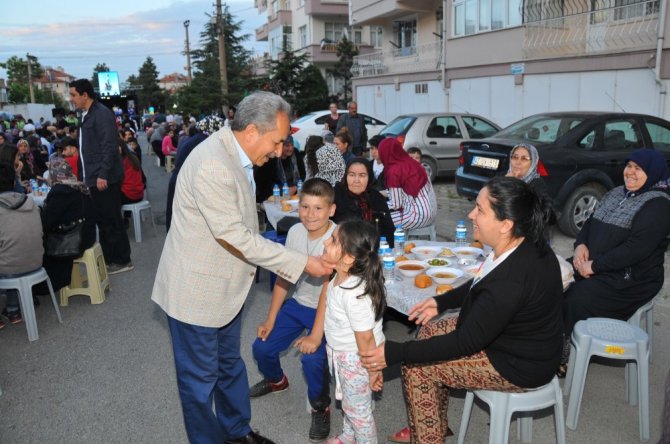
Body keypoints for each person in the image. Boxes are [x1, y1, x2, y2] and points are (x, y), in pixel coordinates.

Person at [151, 91, 333, 444]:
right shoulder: (213, 163)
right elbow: (234, 235)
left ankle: (237, 432)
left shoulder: (237, 157)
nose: (280, 151)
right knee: (199, 384)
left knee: (229, 367)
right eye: (278, 141)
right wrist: (302, 260)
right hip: (196, 295)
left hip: (225, 291)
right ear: (252, 131)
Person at [359, 176, 562, 444]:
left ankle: (428, 437)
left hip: (518, 364)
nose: (471, 214)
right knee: (429, 330)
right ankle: (434, 425)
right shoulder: (521, 244)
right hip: (510, 340)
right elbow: (482, 283)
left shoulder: (512, 279)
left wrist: (396, 352)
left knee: (416, 367)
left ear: (505, 225)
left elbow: (466, 342)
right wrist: (441, 302)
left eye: (480, 210)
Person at [560, 149, 670, 374]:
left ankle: (564, 355)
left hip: (632, 277)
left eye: (638, 168)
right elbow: (590, 224)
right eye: (629, 166)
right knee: (551, 275)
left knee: (574, 297)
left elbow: (635, 250)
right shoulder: (615, 193)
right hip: (595, 262)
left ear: (653, 172)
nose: (630, 172)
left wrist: (594, 266)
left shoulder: (658, 205)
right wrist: (580, 246)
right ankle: (541, 341)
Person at [249, 178, 336, 442]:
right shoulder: (296, 232)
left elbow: (327, 291)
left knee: (312, 359)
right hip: (299, 304)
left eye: (318, 208)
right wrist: (270, 319)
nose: (311, 215)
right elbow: (285, 277)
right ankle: (277, 381)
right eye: (305, 207)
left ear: (331, 210)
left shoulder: (338, 238)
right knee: (261, 346)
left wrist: (316, 336)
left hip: (329, 309)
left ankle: (321, 407)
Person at [302, 220, 385, 444]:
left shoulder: (354, 295)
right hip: (342, 354)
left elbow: (365, 339)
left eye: (333, 240)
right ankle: (349, 436)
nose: (326, 242)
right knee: (349, 402)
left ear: (348, 258)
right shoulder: (337, 277)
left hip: (357, 359)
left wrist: (373, 370)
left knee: (359, 413)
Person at [69, 78, 132, 275]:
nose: (71, 99)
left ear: (84, 95)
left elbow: (109, 147)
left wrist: (103, 174)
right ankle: (110, 258)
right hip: (92, 177)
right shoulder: (84, 115)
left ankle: (122, 260)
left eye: (73, 95)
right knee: (103, 221)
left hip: (104, 178)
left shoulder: (102, 114)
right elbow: (83, 149)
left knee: (111, 219)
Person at [40, 156, 96, 293]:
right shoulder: (79, 185)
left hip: (71, 241)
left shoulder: (60, 191)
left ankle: (40, 286)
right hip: (87, 235)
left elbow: (46, 222)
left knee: (37, 242)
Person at [0, 163, 43, 328]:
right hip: (37, 262)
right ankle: (13, 309)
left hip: (11, 268)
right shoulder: (30, 201)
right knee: (12, 250)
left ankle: (12, 308)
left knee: (9, 255)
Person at [165, 115, 222, 232]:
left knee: (175, 223)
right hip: (185, 184)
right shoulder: (204, 141)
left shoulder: (196, 138)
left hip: (178, 181)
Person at [333, 157, 395, 248]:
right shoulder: (336, 196)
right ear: (346, 176)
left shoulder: (376, 198)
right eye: (352, 175)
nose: (356, 180)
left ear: (369, 177)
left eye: (362, 175)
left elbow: (389, 230)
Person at [378, 138, 437, 230]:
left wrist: (376, 205)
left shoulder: (394, 171)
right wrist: (379, 193)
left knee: (378, 220)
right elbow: (402, 192)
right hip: (431, 214)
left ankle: (387, 244)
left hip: (416, 216)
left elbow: (396, 204)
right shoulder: (413, 164)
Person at [254, 134, 305, 203]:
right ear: (280, 146)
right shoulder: (271, 157)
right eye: (287, 146)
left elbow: (302, 174)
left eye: (292, 145)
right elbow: (264, 182)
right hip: (274, 193)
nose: (290, 149)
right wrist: (282, 190)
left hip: (293, 192)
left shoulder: (295, 153)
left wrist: (295, 187)